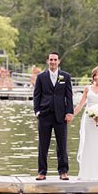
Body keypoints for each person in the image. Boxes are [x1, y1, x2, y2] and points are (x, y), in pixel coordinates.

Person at [33, 52, 74, 180]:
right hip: (44, 115)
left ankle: (63, 172)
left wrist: (69, 112)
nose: (53, 62)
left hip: (60, 116)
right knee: (43, 145)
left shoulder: (65, 76)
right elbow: (36, 95)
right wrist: (37, 111)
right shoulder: (41, 77)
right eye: (51, 60)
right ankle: (42, 172)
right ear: (47, 61)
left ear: (59, 61)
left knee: (62, 145)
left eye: (55, 60)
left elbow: (69, 96)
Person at [73, 65, 98, 181]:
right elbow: (81, 104)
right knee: (88, 144)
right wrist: (72, 114)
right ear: (92, 77)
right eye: (95, 75)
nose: (97, 77)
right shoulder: (87, 89)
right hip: (89, 120)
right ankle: (86, 173)